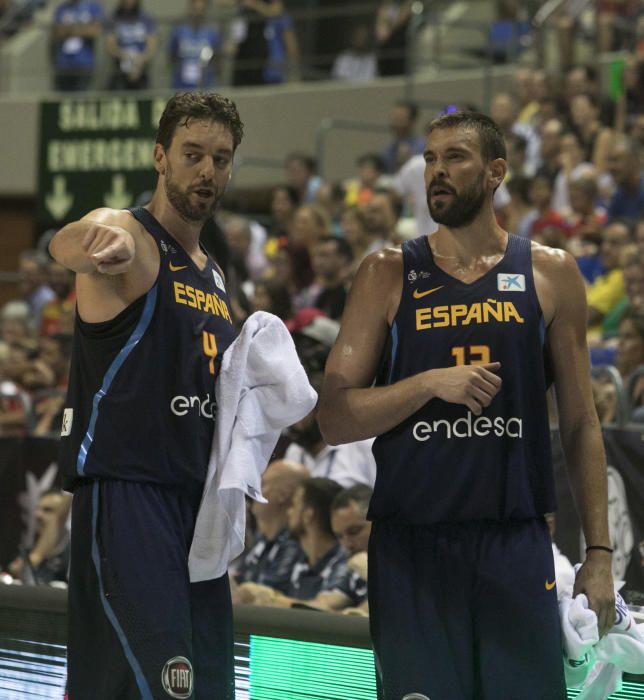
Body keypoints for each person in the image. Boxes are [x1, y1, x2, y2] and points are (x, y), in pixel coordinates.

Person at [319, 111, 614, 699]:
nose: (437, 172)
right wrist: (428, 383)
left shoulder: (550, 272)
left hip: (514, 544)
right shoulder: (386, 272)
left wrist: (599, 554)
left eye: (454, 157)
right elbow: (334, 417)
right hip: (411, 551)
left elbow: (581, 421)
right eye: (430, 159)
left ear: (496, 171)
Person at [48, 91, 244, 700]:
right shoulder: (129, 235)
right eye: (192, 154)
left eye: (220, 157)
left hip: (196, 507)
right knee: (159, 687)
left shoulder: (213, 270)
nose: (206, 170)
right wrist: (88, 245)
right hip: (130, 493)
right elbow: (74, 238)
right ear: (160, 157)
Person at [236, 477, 368, 611]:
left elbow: (325, 609)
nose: (347, 544)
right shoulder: (298, 557)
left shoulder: (345, 560)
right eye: (339, 536)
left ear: (308, 514)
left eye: (294, 504)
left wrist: (271, 599)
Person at [232, 459, 308, 597]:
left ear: (283, 495)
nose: (252, 490)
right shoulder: (262, 539)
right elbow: (238, 580)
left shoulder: (295, 543)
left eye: (262, 484)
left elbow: (264, 595)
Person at [7, 489, 72, 585]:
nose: (38, 515)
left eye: (47, 510)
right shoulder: (29, 545)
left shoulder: (74, 550)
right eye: (38, 509)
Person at [51, 0, 104, 91]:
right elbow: (56, 32)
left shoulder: (92, 6)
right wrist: (82, 29)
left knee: (82, 98)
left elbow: (94, 31)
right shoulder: (61, 8)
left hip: (85, 63)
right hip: (64, 64)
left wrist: (69, 30)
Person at [105, 0, 157, 90]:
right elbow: (110, 46)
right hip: (120, 70)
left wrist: (140, 60)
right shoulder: (114, 18)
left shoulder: (145, 18)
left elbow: (151, 46)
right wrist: (125, 56)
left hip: (141, 69)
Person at [169, 0, 221, 90]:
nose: (198, 13)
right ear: (190, 9)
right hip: (181, 86)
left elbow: (217, 58)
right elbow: (172, 54)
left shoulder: (212, 33)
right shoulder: (179, 31)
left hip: (205, 86)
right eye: (195, 9)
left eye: (201, 10)